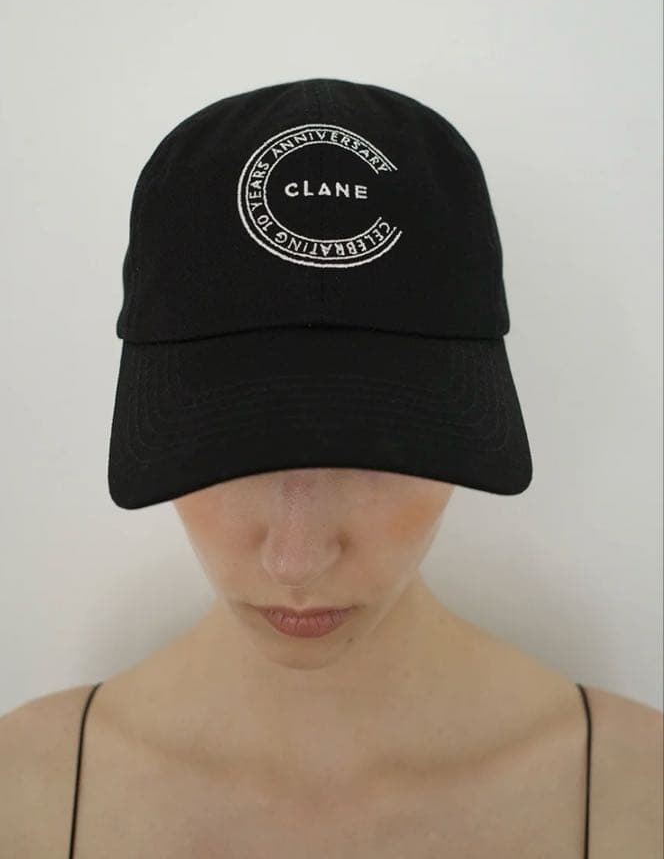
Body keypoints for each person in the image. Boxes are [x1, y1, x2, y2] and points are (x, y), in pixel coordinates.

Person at [1, 79, 661, 858]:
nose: (296, 559)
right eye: (234, 446)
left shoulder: (638, 794)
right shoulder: (23, 794)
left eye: (377, 446)